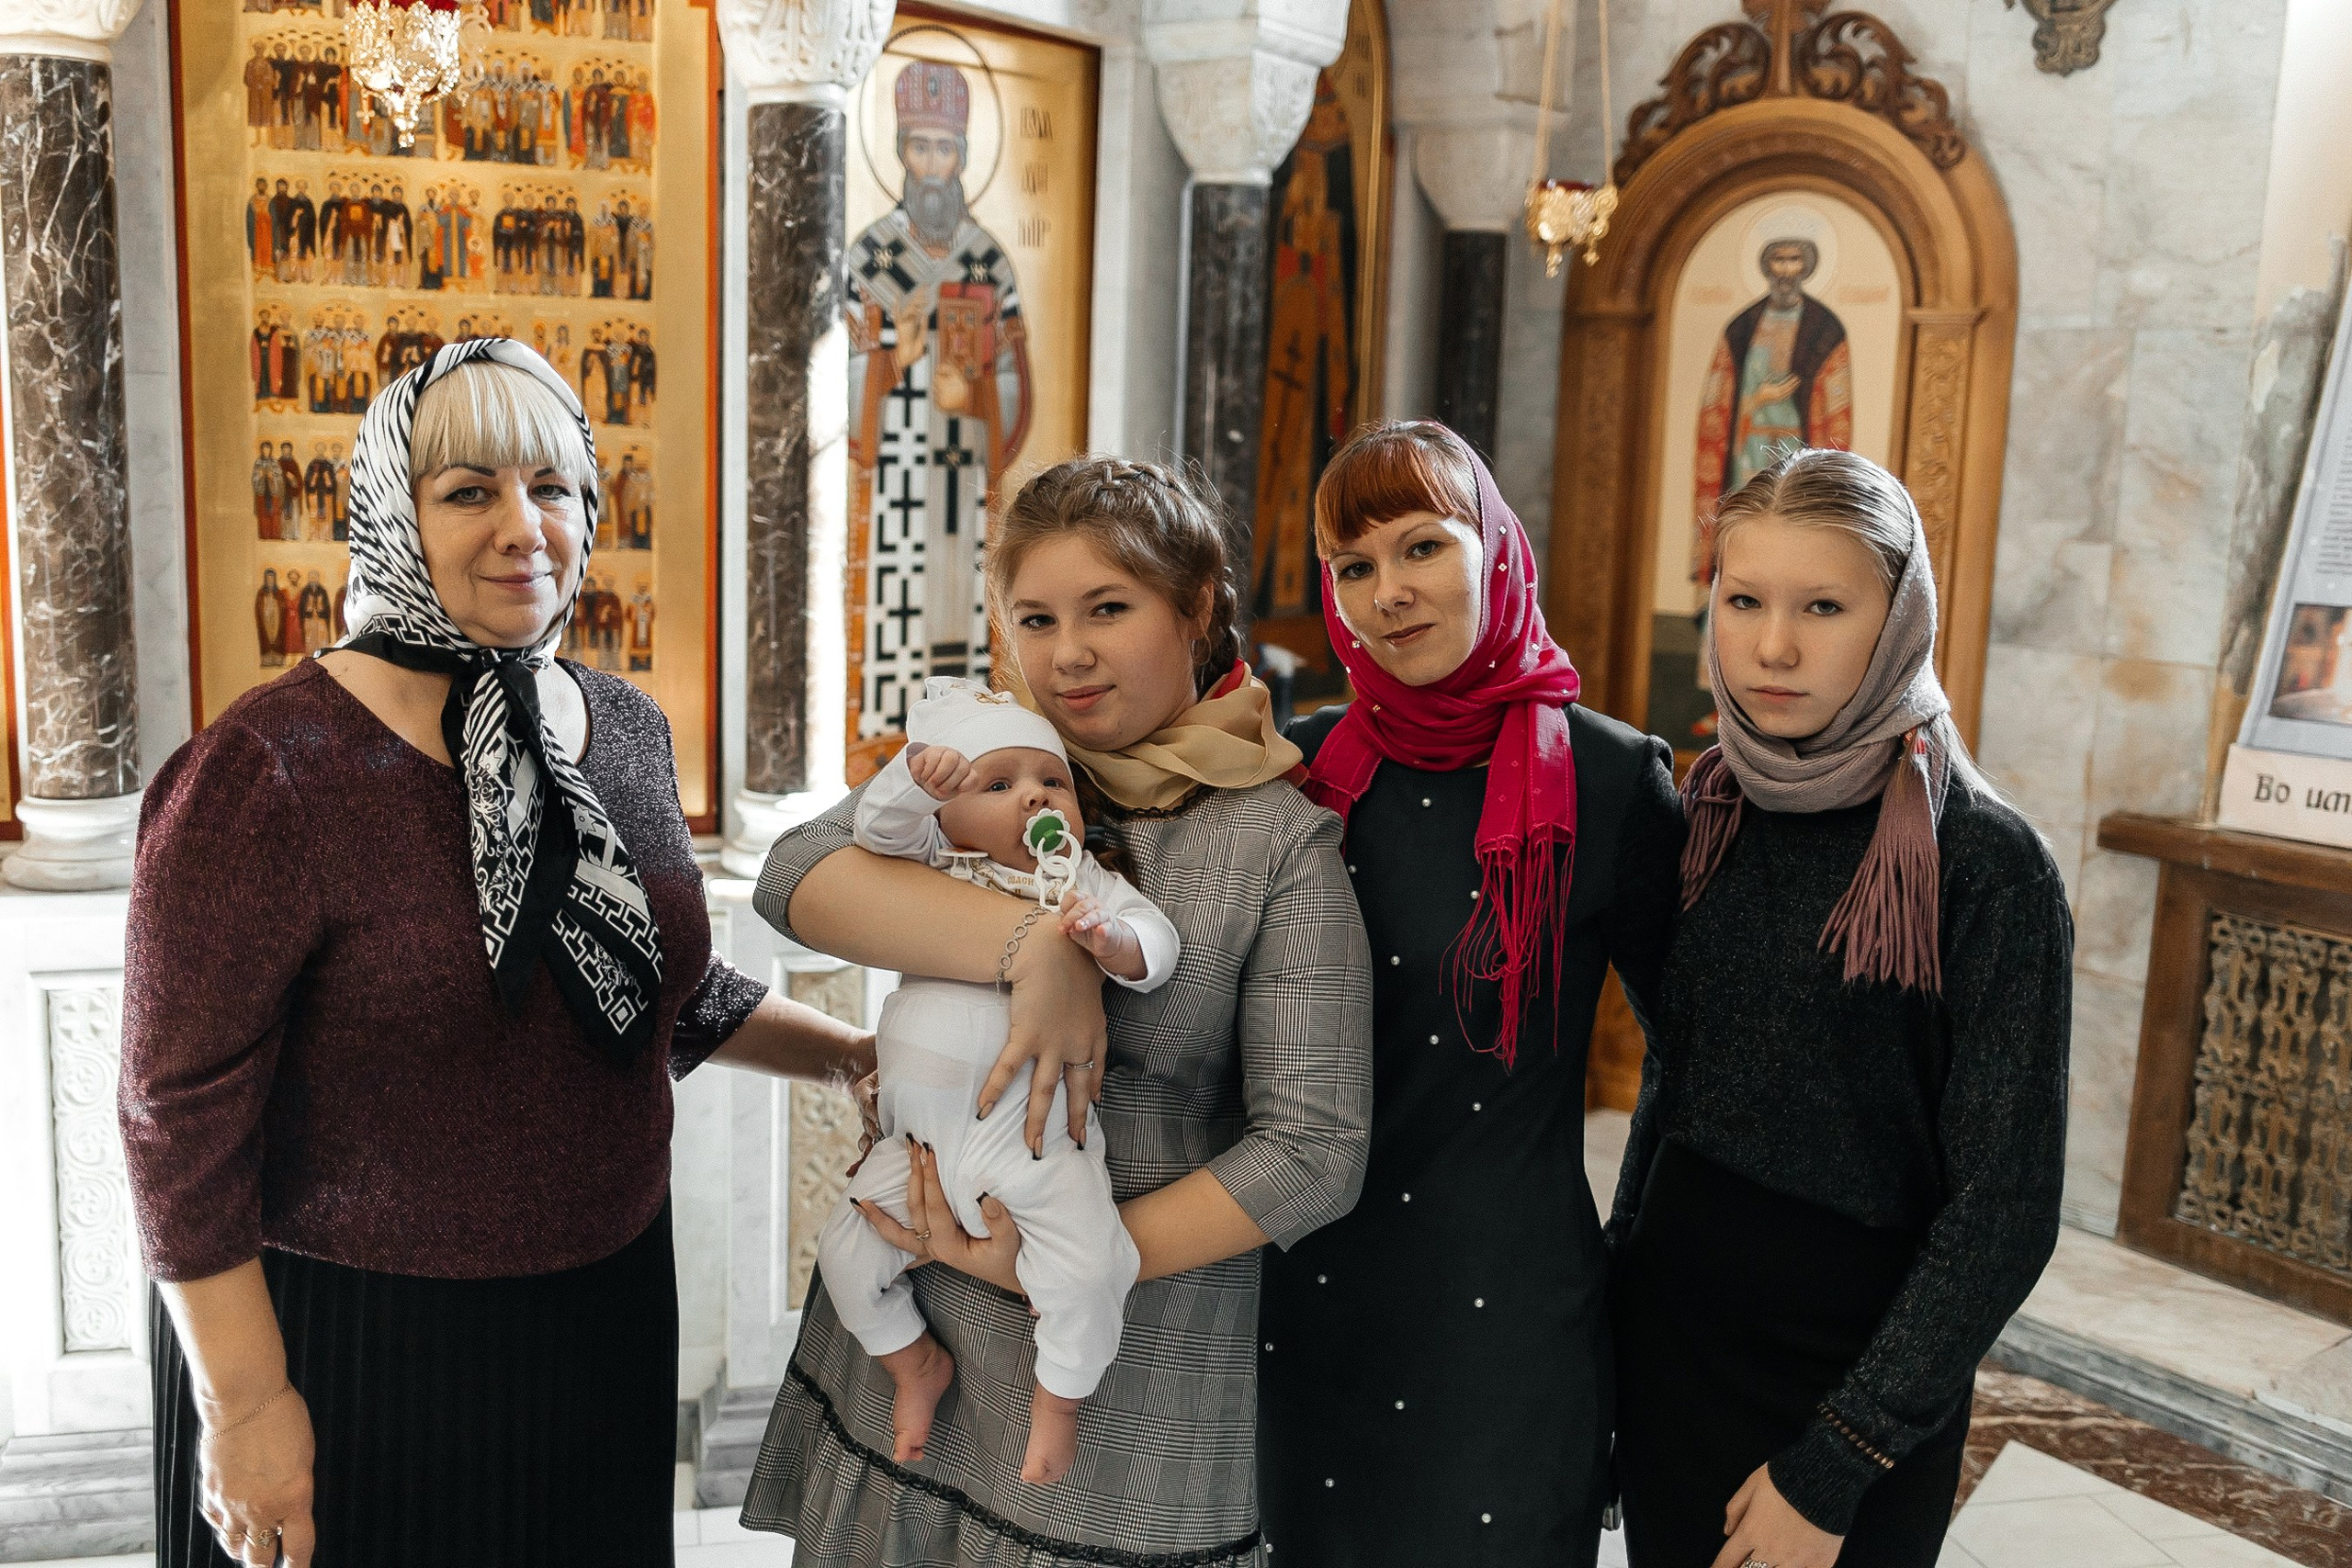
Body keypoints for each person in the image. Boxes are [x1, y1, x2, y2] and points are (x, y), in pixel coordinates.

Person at [122, 339, 876, 1568]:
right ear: (391, 510)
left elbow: (646, 986)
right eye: (469, 490)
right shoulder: (268, 769)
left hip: (601, 1315)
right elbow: (175, 1114)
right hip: (350, 1337)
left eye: (553, 487)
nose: (524, 528)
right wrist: (246, 1406)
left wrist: (851, 1056)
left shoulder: (619, 725)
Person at [742, 457, 1373, 1565]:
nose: (1067, 653)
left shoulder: (1275, 841)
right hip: (911, 1332)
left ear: (1195, 610)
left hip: (1127, 1381)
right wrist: (1031, 949)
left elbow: (1316, 1151)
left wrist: (1046, 1261)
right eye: (1036, 619)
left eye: (1107, 609)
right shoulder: (997, 763)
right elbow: (795, 874)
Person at [1608, 448, 2070, 1568]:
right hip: (1672, 1348)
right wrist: (1610, 1317)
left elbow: (2004, 1208)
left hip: (1853, 1380)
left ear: (1897, 617)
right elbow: (1674, 1086)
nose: (1773, 646)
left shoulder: (1984, 863)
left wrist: (1835, 1463)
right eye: (1743, 600)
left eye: (1822, 606)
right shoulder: (1711, 809)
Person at [1254, 422, 1683, 1565]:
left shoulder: (1613, 779)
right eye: (1353, 566)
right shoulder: (1302, 770)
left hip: (1510, 1310)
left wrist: (1632, 1267)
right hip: (1311, 1294)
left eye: (1421, 547)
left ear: (1494, 546)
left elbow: (1689, 1065)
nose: (1387, 593)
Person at [820, 677, 1180, 1487]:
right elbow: (876, 829)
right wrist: (918, 778)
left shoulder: (1079, 879)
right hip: (914, 1141)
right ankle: (913, 1361)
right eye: (998, 783)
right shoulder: (935, 862)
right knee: (844, 1250)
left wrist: (1112, 940)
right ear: (947, 815)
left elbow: (1157, 943)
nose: (1034, 797)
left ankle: (1061, 1399)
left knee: (1090, 1267)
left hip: (1028, 1135)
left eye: (1052, 780)